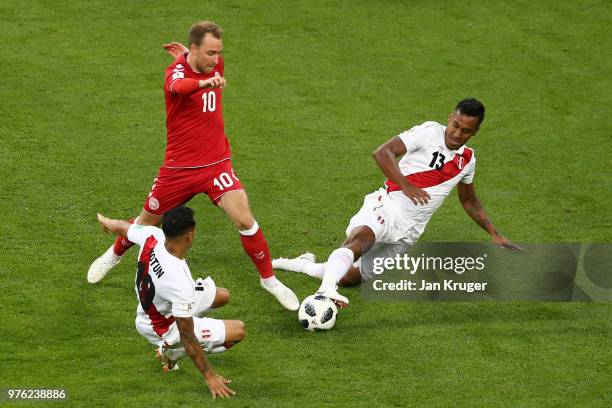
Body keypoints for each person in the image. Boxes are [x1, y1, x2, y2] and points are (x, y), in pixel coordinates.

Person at [88, 21, 299, 311]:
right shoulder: (175, 73)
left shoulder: (212, 66)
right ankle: (114, 254)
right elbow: (179, 86)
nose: (216, 60)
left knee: (244, 220)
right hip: (179, 169)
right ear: (196, 48)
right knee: (146, 222)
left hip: (217, 165)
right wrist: (201, 80)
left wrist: (199, 65)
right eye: (210, 53)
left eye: (219, 53)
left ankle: (269, 279)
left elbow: (199, 68)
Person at [272, 98, 522, 307]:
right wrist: (405, 184)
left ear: (475, 131)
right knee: (361, 240)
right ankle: (326, 291)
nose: (457, 133)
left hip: (410, 232)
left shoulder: (468, 160)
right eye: (455, 125)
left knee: (348, 277)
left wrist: (494, 234)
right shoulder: (428, 132)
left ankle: (305, 265)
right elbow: (382, 153)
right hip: (387, 206)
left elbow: (469, 201)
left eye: (466, 130)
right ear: (449, 118)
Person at [97, 206, 244, 399]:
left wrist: (107, 221)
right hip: (161, 325)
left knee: (222, 296)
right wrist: (209, 376)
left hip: (160, 300)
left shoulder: (153, 235)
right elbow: (186, 334)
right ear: (189, 236)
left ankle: (175, 347)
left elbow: (124, 228)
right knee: (238, 331)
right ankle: (171, 353)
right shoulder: (179, 282)